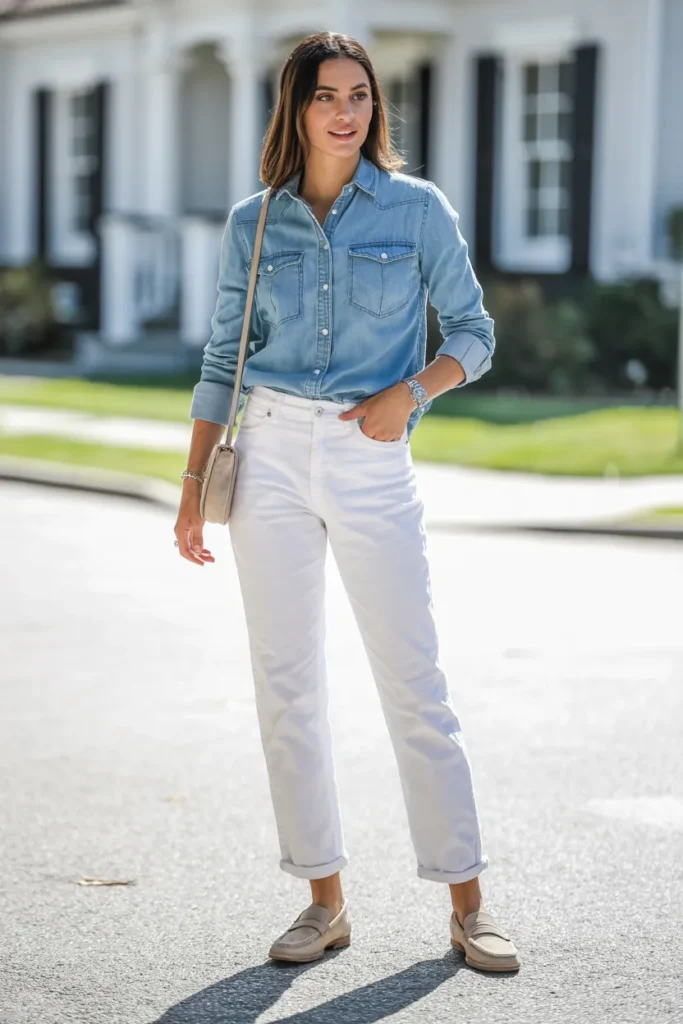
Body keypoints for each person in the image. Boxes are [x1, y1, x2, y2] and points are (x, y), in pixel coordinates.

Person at [174, 30, 520, 973]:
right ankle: (322, 902)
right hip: (271, 457)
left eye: (359, 94)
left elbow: (476, 335)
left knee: (415, 683)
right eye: (325, 95)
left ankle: (467, 903)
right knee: (286, 687)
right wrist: (192, 488)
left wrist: (410, 393)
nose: (345, 111)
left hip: (372, 461)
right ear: (295, 108)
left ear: (375, 106)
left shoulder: (415, 211)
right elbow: (221, 360)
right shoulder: (255, 221)